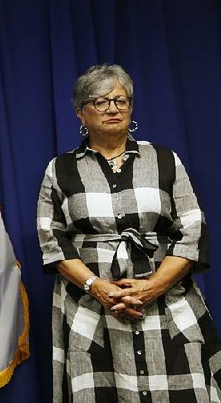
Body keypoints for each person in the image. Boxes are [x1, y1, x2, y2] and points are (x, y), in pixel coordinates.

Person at [37, 64, 221, 402]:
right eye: (101, 101)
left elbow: (193, 230)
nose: (112, 109)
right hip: (90, 309)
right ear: (80, 112)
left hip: (166, 305)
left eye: (121, 101)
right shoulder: (60, 169)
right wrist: (100, 288)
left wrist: (152, 287)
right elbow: (52, 241)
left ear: (131, 108)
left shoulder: (166, 160)